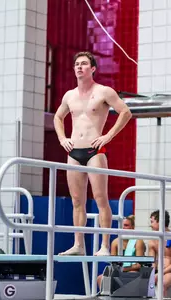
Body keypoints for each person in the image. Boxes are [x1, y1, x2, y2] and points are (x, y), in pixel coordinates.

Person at [54, 51, 132, 256]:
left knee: (100, 198)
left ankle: (105, 245)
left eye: (84, 64)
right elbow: (57, 117)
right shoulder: (69, 95)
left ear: (93, 68)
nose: (79, 67)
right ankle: (78, 245)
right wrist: (63, 139)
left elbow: (125, 112)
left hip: (95, 150)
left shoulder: (104, 92)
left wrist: (108, 136)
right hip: (73, 152)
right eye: (77, 64)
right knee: (77, 200)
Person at [96, 215, 146, 289]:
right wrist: (118, 270)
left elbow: (139, 265)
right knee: (100, 278)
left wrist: (124, 269)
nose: (123, 228)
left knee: (131, 275)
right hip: (120, 270)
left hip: (133, 270)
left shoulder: (138, 242)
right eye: (122, 226)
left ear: (132, 227)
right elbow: (113, 263)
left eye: (126, 225)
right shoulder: (115, 242)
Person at [147, 210, 171, 297]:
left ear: (160, 222)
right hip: (159, 272)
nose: (150, 225)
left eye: (152, 222)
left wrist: (160, 273)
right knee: (145, 281)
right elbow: (152, 263)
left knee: (162, 283)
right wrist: (152, 274)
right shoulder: (152, 241)